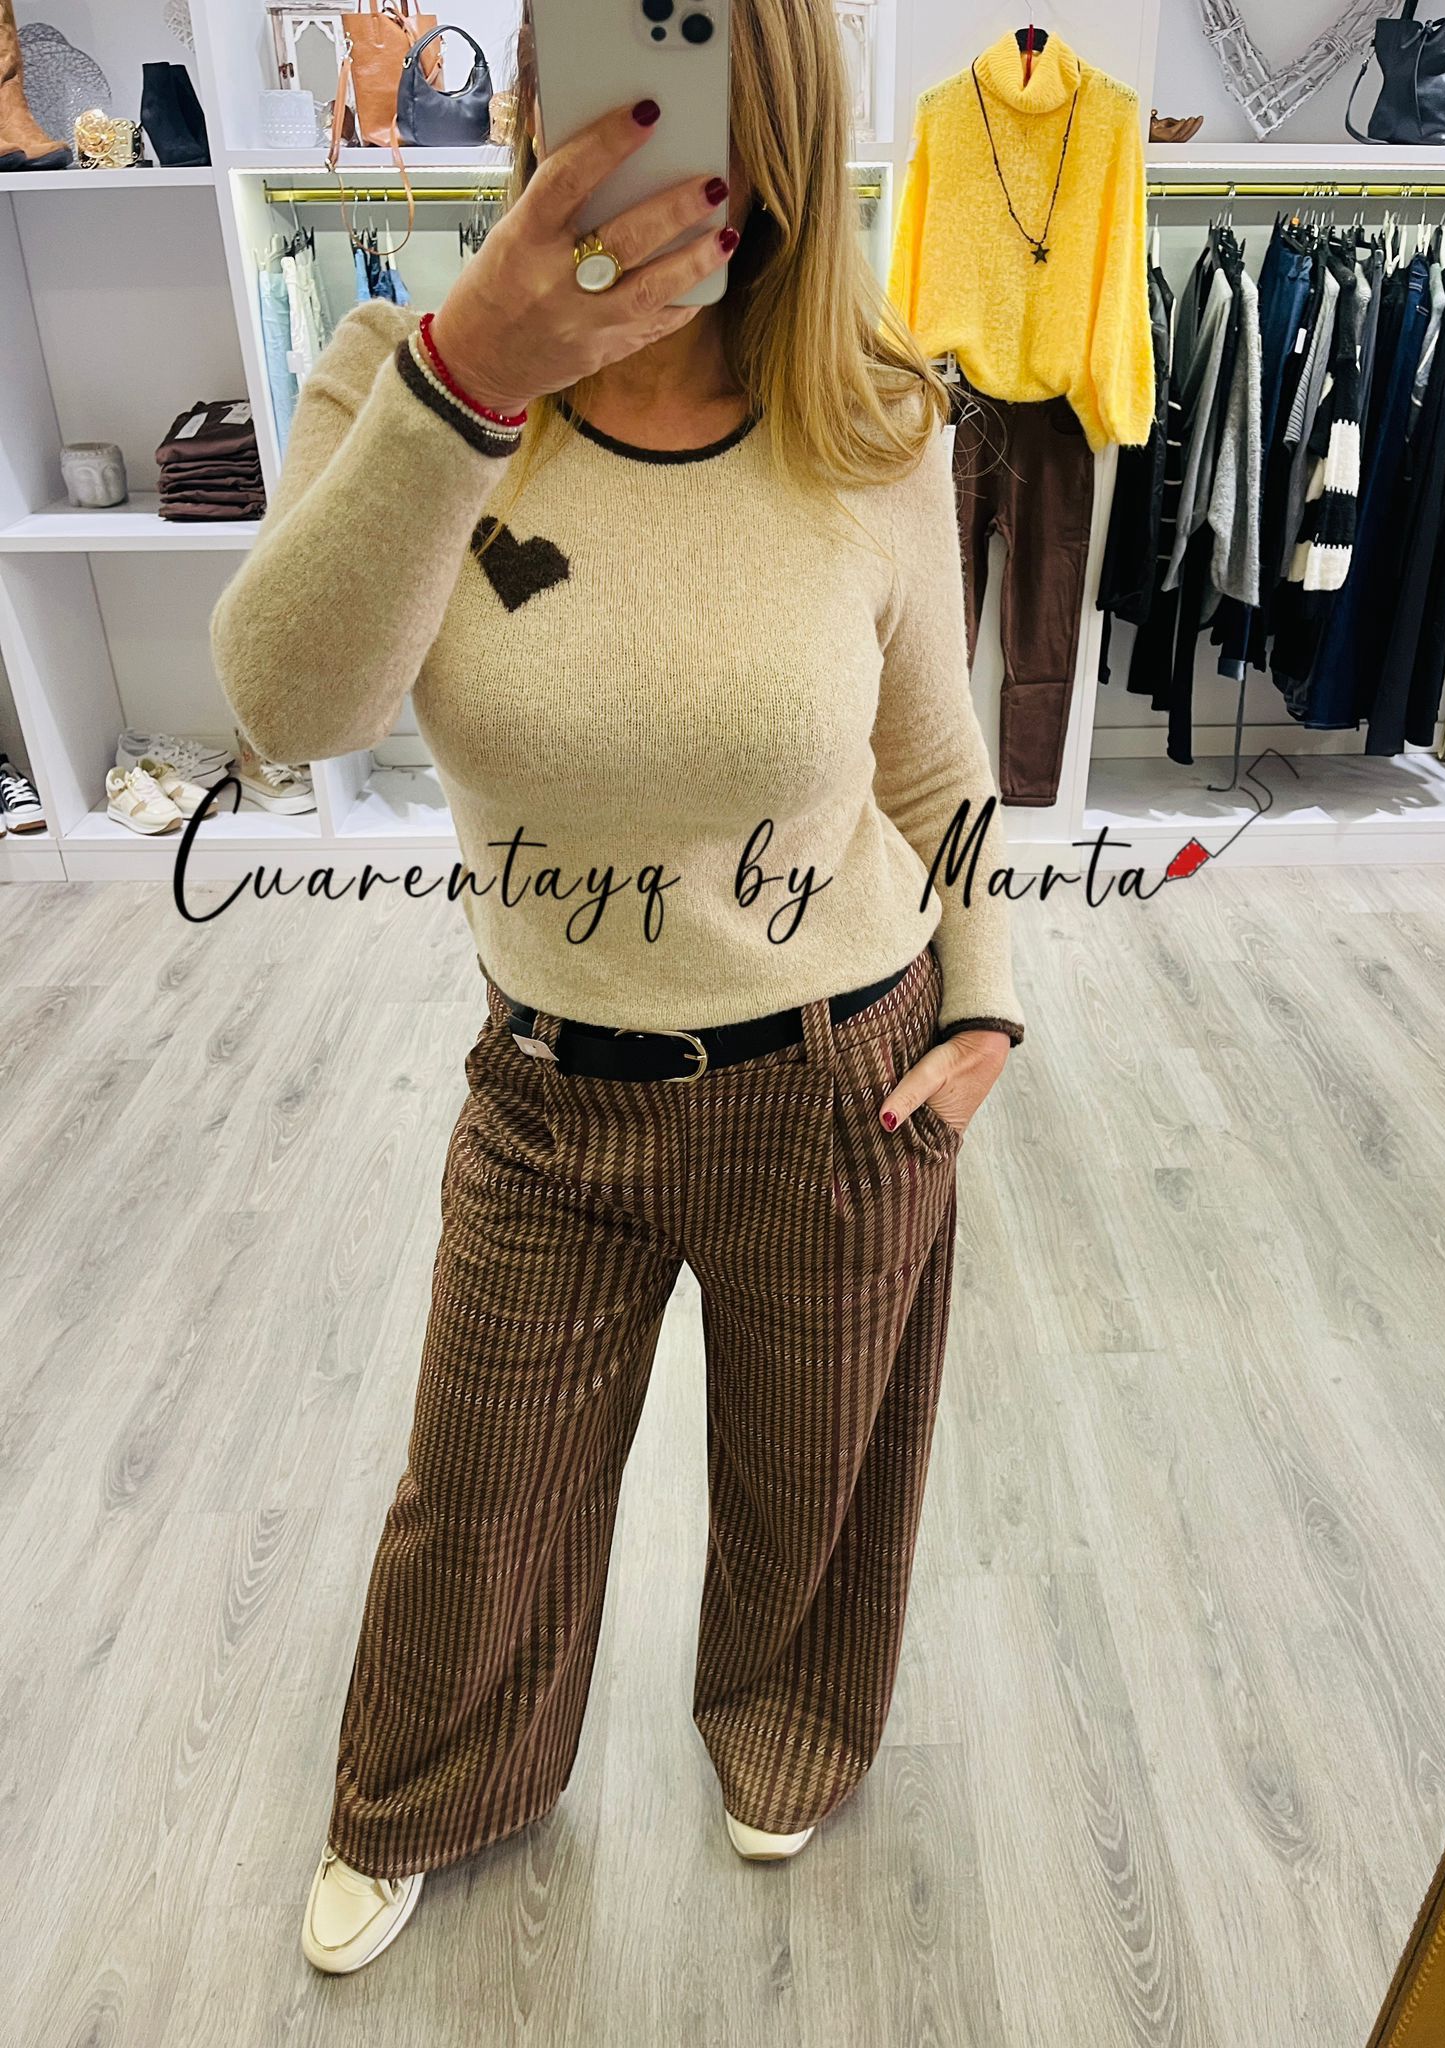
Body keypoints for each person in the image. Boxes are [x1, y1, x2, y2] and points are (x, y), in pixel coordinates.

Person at [211, 0, 1026, 1977]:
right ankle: (425, 1785)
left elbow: (932, 764)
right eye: (598, 62)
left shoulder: (876, 416)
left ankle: (789, 1723)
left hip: (838, 1076)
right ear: (534, 90)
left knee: (814, 1486)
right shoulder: (394, 377)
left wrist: (987, 999)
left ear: (788, 112)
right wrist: (476, 380)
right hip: (550, 1090)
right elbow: (285, 710)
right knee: (479, 1501)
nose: (649, 131)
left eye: (707, 80)